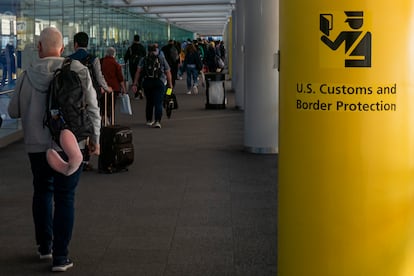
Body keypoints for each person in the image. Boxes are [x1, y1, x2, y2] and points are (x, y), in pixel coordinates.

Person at [7, 26, 101, 272]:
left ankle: (45, 248)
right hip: (71, 146)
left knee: (42, 192)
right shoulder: (78, 70)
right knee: (65, 197)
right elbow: (92, 108)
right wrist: (96, 138)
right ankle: (61, 257)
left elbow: (12, 111)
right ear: (62, 48)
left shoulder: (27, 74)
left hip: (37, 147)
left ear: (39, 48)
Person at [68, 31, 112, 171]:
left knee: (75, 124)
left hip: (72, 98)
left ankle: (74, 154)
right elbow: (99, 78)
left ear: (75, 44)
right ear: (87, 44)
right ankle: (86, 159)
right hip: (90, 96)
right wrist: (107, 88)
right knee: (90, 123)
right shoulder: (93, 59)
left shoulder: (68, 60)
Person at [132, 44, 173, 128]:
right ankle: (157, 121)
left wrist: (135, 83)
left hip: (147, 82)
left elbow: (138, 71)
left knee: (149, 102)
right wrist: (170, 84)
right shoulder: (161, 58)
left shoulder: (143, 59)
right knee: (158, 102)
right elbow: (168, 72)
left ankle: (149, 120)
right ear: (156, 50)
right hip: (159, 82)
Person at [100, 47, 127, 120]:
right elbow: (120, 78)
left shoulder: (101, 61)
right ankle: (108, 119)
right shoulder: (115, 64)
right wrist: (124, 89)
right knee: (111, 105)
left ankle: (103, 116)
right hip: (114, 88)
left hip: (102, 87)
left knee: (103, 104)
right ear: (114, 54)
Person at [124, 34, 146, 99]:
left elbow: (126, 57)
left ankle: (136, 93)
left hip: (132, 65)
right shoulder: (142, 47)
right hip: (141, 65)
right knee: (140, 79)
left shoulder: (130, 48)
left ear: (134, 39)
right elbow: (145, 56)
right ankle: (140, 90)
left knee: (134, 79)